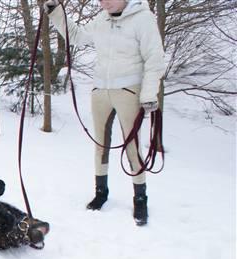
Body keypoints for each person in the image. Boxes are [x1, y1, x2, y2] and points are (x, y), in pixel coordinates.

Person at [43, 0, 165, 225]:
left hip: (129, 90)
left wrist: (149, 93)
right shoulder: (102, 19)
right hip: (101, 90)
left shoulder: (143, 18)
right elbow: (77, 36)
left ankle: (140, 198)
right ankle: (101, 193)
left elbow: (155, 59)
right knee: (100, 145)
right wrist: (56, 12)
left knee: (132, 147)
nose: (103, 2)